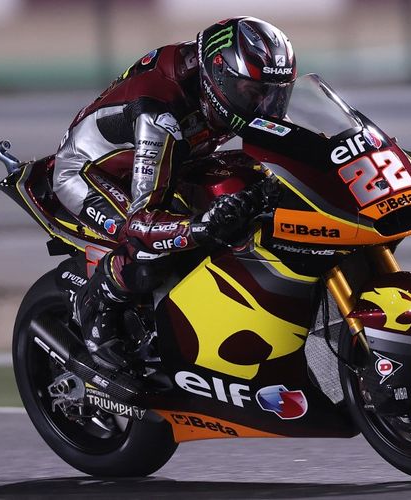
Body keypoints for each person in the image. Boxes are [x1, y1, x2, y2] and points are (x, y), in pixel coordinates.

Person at [52, 17, 297, 372]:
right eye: (253, 93)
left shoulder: (215, 79)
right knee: (151, 248)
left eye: (276, 94)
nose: (265, 107)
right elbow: (143, 220)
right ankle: (98, 308)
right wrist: (200, 228)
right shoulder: (160, 113)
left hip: (178, 157)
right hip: (91, 172)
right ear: (220, 75)